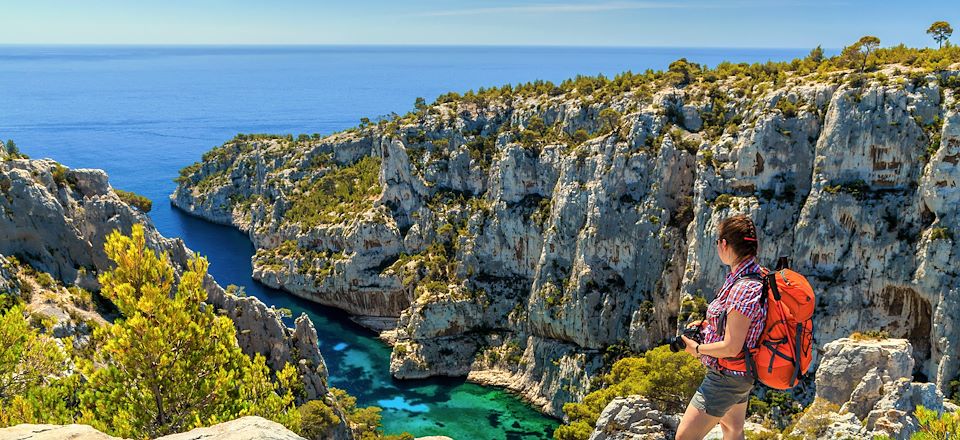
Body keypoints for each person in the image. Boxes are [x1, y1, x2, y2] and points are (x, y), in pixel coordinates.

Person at [675, 214, 766, 440]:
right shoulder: (750, 274)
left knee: (684, 437)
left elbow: (731, 347)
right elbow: (737, 322)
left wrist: (695, 349)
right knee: (732, 430)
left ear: (724, 244)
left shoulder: (743, 288)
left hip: (726, 376)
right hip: (741, 373)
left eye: (717, 241)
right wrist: (707, 326)